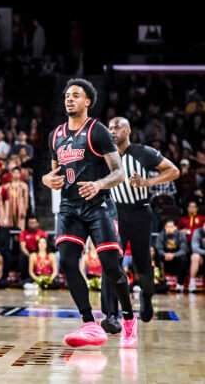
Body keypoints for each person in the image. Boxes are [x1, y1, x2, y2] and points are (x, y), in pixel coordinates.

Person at [42, 79, 136, 348]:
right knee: (68, 262)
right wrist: (46, 180)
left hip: (98, 205)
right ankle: (89, 323)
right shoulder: (55, 135)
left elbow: (119, 172)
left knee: (110, 267)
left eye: (75, 95)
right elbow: (53, 173)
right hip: (70, 207)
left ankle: (128, 319)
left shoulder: (98, 131)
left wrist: (99, 183)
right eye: (66, 96)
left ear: (88, 101)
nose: (68, 99)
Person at [101, 116, 180, 333]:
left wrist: (147, 182)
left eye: (117, 127)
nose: (112, 131)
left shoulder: (143, 151)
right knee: (110, 263)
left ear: (128, 131)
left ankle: (146, 296)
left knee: (142, 265)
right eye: (109, 128)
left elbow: (174, 170)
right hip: (115, 213)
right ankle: (110, 315)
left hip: (140, 212)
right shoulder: (104, 153)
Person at [156, 220, 188, 286]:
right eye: (167, 227)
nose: (169, 229)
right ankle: (161, 280)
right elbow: (158, 248)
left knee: (184, 259)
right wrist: (165, 254)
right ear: (165, 228)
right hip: (165, 256)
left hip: (177, 256)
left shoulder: (181, 235)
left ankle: (180, 284)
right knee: (157, 257)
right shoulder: (161, 235)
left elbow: (184, 250)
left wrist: (174, 255)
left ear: (175, 227)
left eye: (171, 227)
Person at [189, 222, 205, 291]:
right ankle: (192, 283)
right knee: (195, 256)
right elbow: (195, 248)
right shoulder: (198, 232)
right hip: (200, 254)